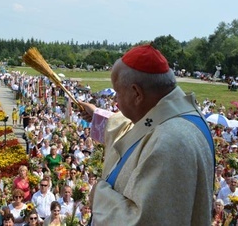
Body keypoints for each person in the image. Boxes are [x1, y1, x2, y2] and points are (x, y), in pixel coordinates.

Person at [79, 44, 214, 224]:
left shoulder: (169, 142)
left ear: (136, 93)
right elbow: (137, 129)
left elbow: (147, 221)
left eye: (118, 93)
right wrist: (97, 114)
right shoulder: (181, 117)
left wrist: (99, 197)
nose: (115, 101)